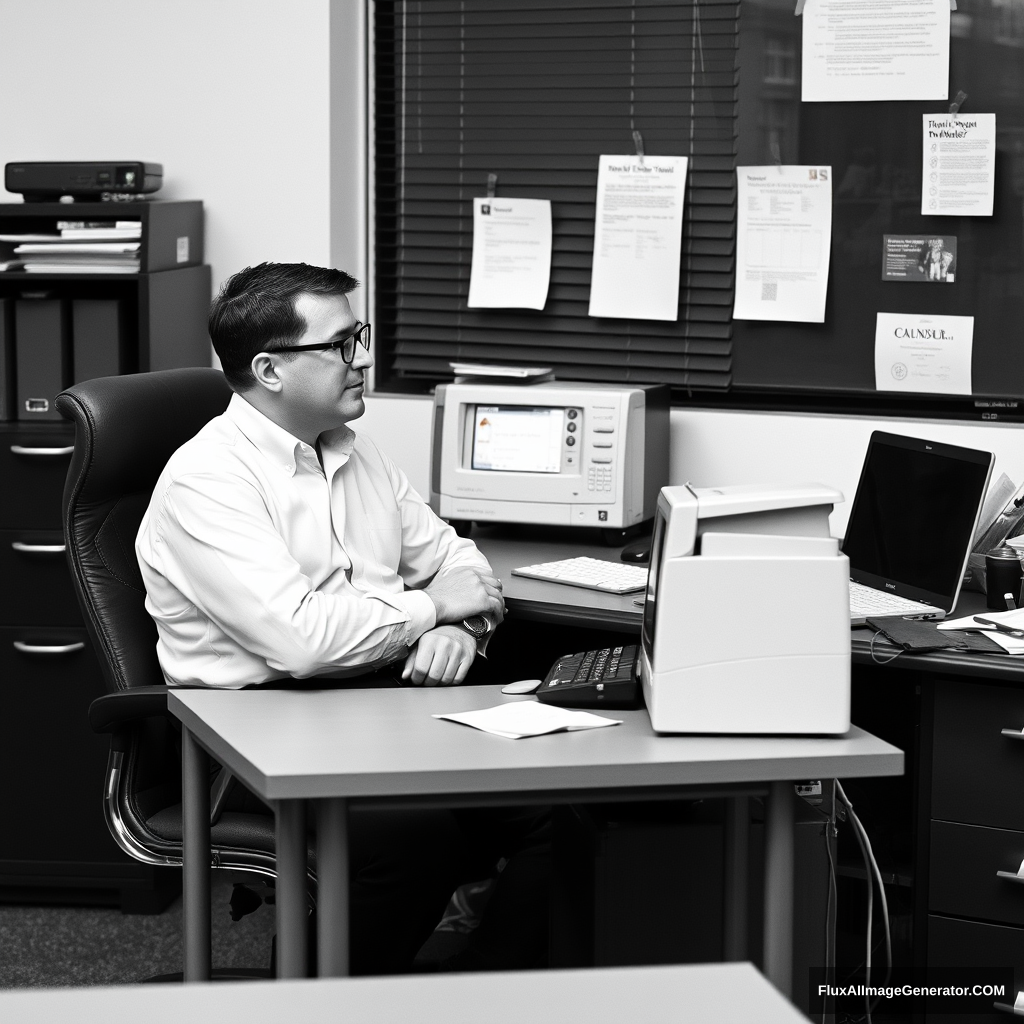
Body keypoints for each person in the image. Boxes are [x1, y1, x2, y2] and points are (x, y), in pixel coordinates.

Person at [136, 262, 548, 974]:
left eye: (356, 335)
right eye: (339, 345)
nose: (361, 359)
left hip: (381, 708)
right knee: (417, 840)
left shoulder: (358, 453)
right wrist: (430, 608)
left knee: (555, 808)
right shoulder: (206, 481)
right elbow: (300, 642)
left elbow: (464, 568)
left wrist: (457, 626)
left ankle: (488, 995)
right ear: (269, 369)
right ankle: (325, 1003)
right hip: (259, 732)